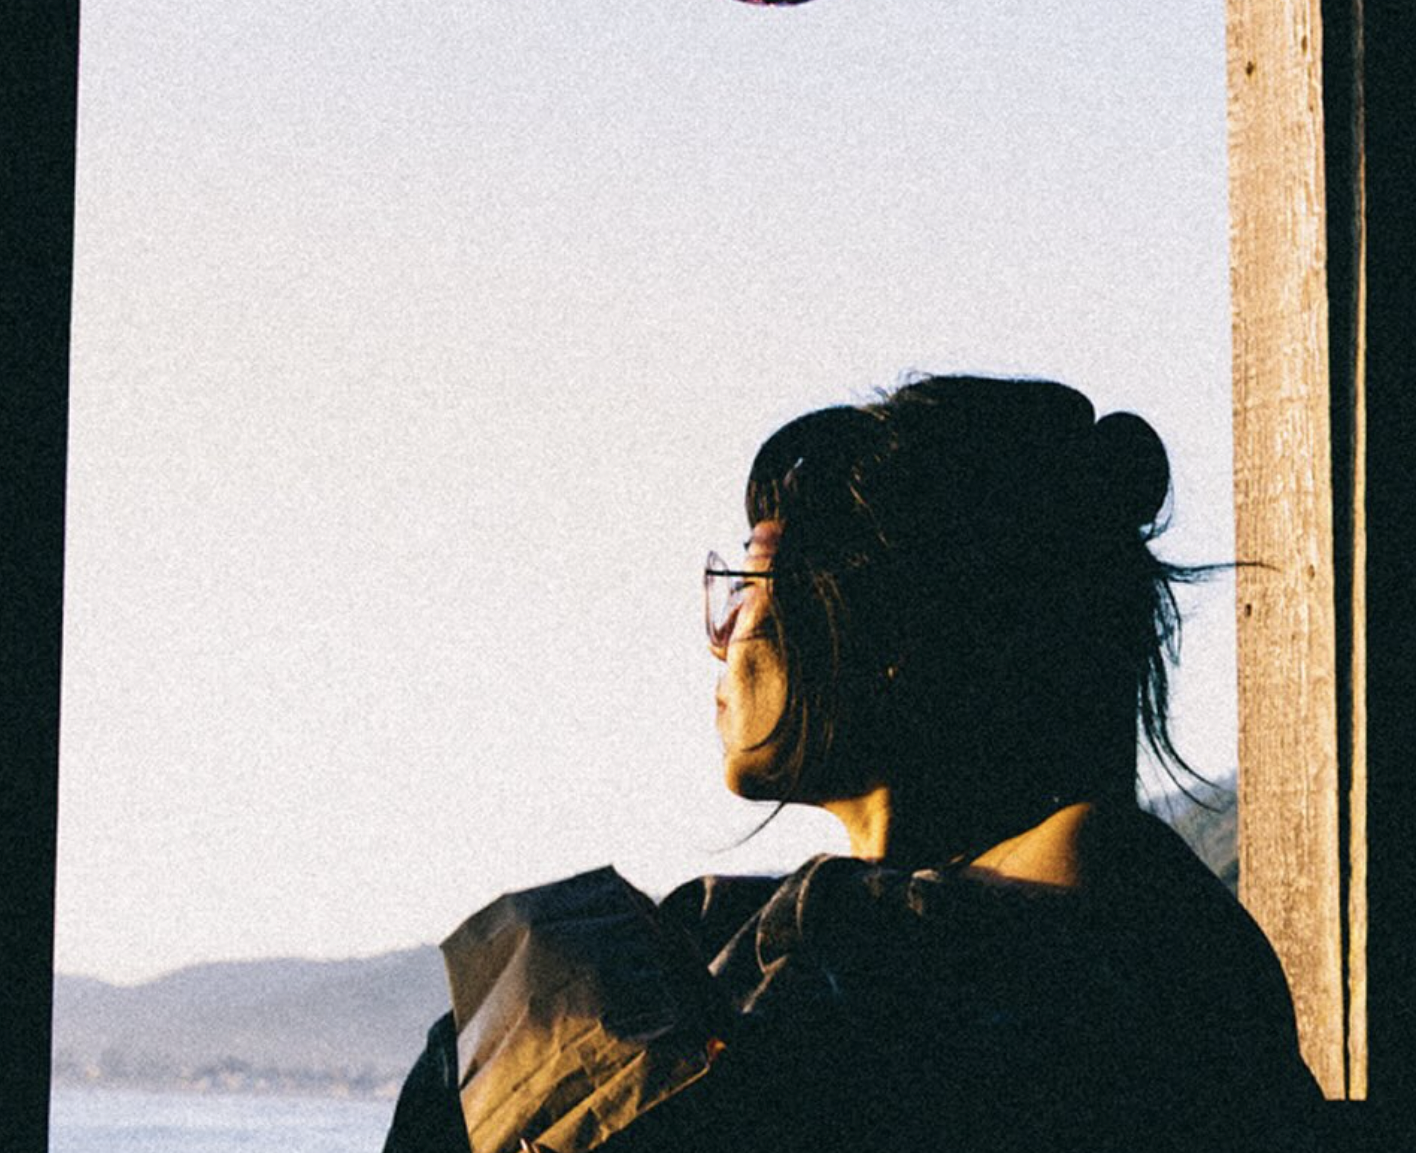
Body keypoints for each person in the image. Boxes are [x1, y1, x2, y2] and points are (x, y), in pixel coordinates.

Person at [384, 374, 1321, 1152]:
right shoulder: (929, 919)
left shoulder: (1087, 887)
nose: (722, 644)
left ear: (880, 627)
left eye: (747, 586)